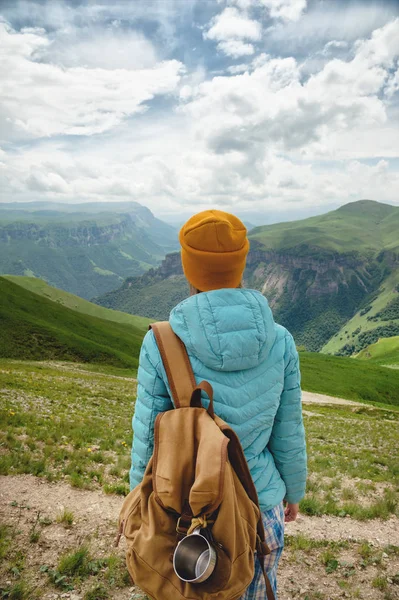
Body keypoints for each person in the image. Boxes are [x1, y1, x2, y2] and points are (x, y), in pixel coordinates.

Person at [130, 210, 307, 599]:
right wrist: (292, 490)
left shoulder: (161, 343)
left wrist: (137, 501)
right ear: (241, 265)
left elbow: (149, 437)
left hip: (188, 513)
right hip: (260, 505)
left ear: (188, 266)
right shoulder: (281, 341)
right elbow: (287, 429)